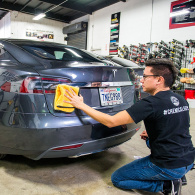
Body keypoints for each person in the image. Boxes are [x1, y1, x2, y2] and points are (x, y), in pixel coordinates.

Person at [64, 58, 195, 195]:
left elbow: (111, 121)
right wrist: (152, 134)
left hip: (169, 165)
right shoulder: (180, 99)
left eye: (145, 76)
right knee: (150, 140)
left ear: (159, 80)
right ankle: (177, 175)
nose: (141, 80)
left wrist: (81, 105)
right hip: (188, 159)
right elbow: (177, 126)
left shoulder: (150, 103)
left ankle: (166, 185)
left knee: (118, 179)